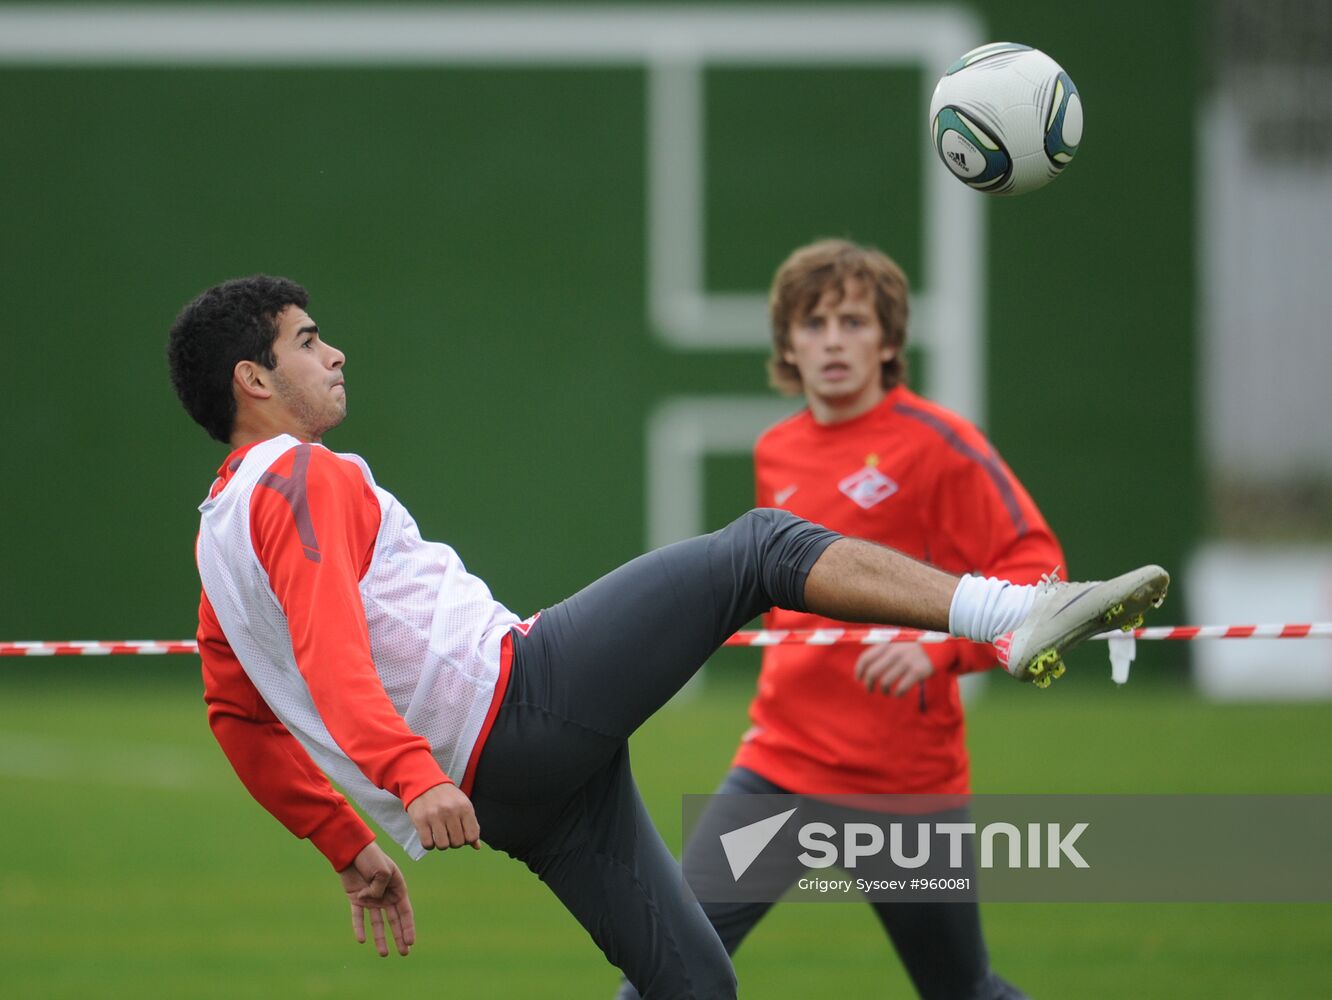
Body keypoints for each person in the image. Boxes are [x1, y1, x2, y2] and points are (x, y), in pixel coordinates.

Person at [166, 274, 1168, 999]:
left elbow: (235, 716)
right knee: (760, 548)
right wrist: (408, 772)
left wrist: (348, 841)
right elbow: (333, 647)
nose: (333, 352)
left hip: (516, 798)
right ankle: (1010, 613)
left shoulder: (215, 540)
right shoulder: (302, 475)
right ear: (255, 379)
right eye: (307, 340)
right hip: (519, 707)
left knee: (693, 986)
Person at [616, 238, 1072, 1000]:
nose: (833, 339)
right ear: (787, 343)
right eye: (814, 322)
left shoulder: (940, 446)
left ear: (889, 340)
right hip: (778, 768)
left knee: (961, 991)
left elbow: (1039, 574)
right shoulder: (776, 449)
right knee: (663, 975)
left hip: (904, 784)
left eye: (854, 322)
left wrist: (939, 656)